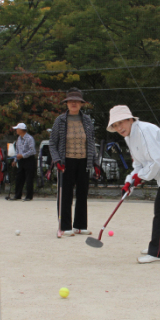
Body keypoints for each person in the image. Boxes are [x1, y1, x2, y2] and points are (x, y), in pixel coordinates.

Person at [107, 105, 160, 264]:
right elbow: (139, 164)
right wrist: (130, 180)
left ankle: (158, 252)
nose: (119, 128)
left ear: (131, 119)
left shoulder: (143, 131)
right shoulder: (129, 136)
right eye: (115, 125)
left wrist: (139, 178)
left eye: (121, 122)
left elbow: (156, 160)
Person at [49, 88, 101, 237]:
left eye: (76, 101)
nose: (73, 103)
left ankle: (80, 225)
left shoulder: (87, 120)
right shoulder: (60, 120)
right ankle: (64, 226)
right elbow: (52, 143)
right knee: (65, 195)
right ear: (66, 103)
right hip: (66, 163)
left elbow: (91, 142)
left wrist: (95, 163)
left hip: (84, 162)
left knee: (82, 193)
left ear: (81, 104)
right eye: (71, 101)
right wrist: (57, 160)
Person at [11, 123, 37, 201]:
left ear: (21, 130)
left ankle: (29, 196)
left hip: (29, 159)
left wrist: (23, 155)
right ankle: (17, 195)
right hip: (21, 160)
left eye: (17, 129)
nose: (16, 130)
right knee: (19, 177)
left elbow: (32, 151)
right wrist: (15, 160)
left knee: (29, 178)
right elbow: (17, 150)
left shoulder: (29, 138)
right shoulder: (19, 138)